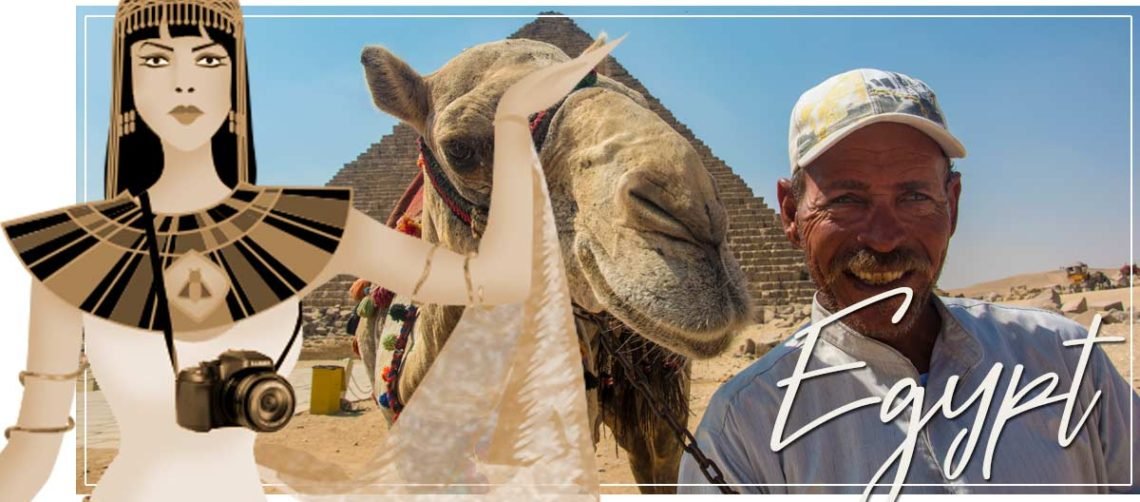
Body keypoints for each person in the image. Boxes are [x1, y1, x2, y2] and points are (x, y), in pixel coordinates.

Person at [0, 0, 613, 499]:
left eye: (208, 59)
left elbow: (498, 278)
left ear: (233, 78)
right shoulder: (69, 250)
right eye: (155, 59)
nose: (184, 78)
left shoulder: (308, 228)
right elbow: (32, 453)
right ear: (127, 80)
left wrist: (508, 122)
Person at [678, 68, 1139, 495]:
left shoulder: (1065, 362)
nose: (882, 240)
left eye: (915, 196)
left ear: (952, 205)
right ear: (791, 213)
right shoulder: (743, 435)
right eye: (846, 200)